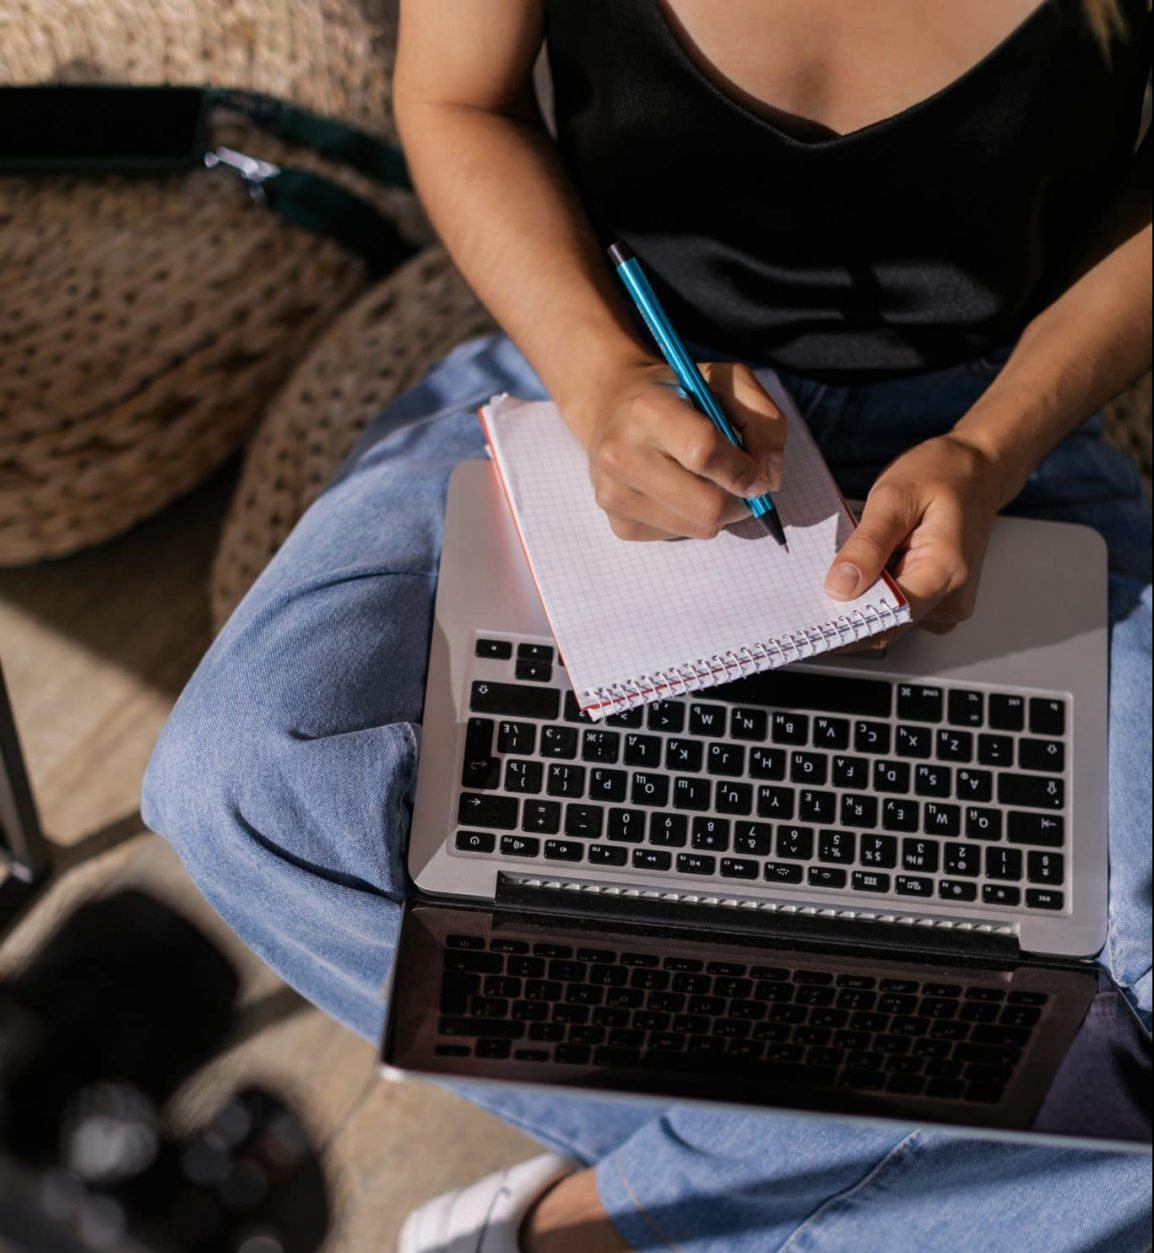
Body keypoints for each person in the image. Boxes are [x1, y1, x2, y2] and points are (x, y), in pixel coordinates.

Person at [142, 2, 1154, 1250]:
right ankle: (829, 1180)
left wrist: (988, 451)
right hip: (598, 377)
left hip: (1007, 439)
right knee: (242, 772)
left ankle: (599, 1219)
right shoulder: (594, 374)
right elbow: (455, 100)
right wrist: (599, 378)